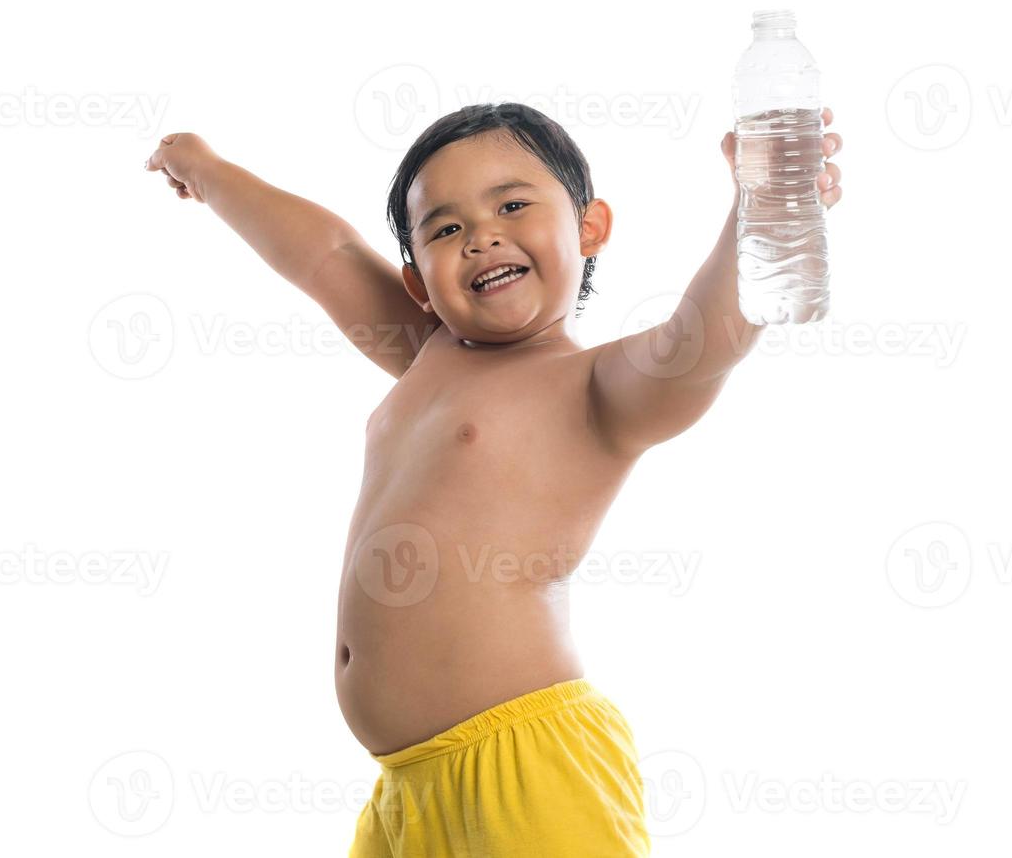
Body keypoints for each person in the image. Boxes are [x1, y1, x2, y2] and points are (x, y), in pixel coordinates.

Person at [146, 101, 845, 856]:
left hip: (528, 766)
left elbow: (699, 340)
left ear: (589, 228)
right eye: (444, 229)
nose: (480, 236)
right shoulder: (426, 352)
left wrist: (765, 208)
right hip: (407, 788)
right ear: (418, 281)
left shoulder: (594, 390)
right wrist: (208, 172)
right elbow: (325, 255)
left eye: (511, 205)